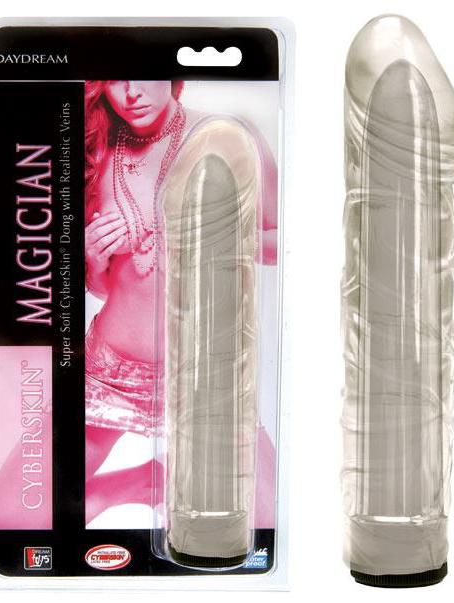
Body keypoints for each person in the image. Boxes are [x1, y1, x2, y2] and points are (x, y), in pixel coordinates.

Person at [84, 80, 278, 525]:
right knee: (26, 508)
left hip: (206, 378)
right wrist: (93, 258)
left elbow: (281, 243)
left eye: (143, 74)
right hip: (111, 375)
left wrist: (219, 236)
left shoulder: (228, 137)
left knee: (264, 522)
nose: (131, 92)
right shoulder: (100, 153)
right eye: (116, 80)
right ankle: (138, 482)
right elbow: (104, 290)